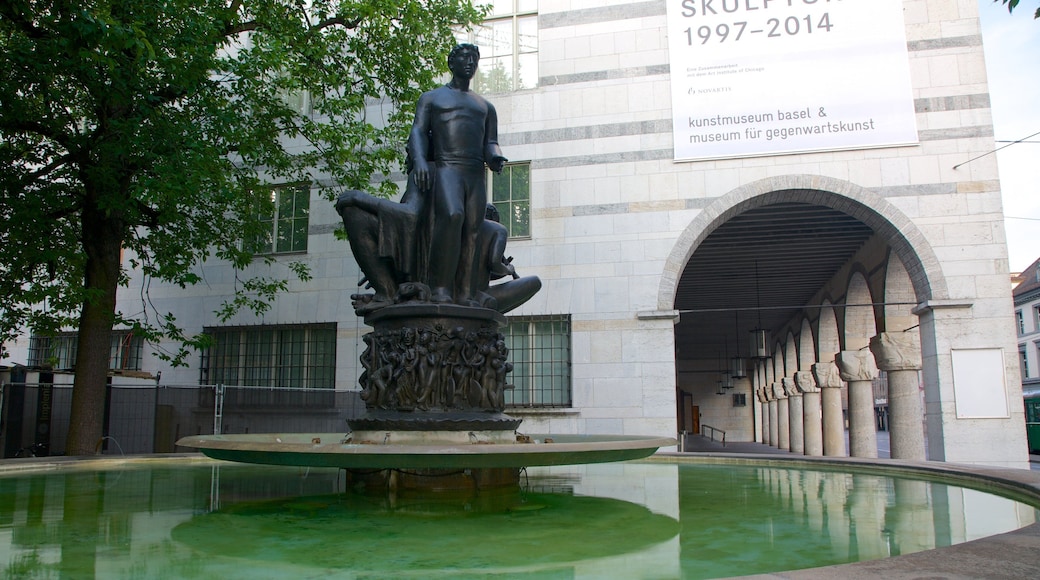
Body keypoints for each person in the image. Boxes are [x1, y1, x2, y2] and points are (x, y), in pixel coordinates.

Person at [408, 43, 506, 306]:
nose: (469, 63)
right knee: (452, 216)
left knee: (473, 229)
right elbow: (417, 132)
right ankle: (440, 287)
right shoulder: (432, 98)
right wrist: (418, 160)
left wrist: (495, 157)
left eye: (474, 58)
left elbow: (490, 142)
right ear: (451, 63)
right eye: (464, 57)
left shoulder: (485, 106)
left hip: (475, 172)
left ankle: (464, 291)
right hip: (447, 167)